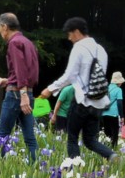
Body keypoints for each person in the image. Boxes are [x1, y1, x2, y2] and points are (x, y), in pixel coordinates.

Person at [39, 17, 113, 161]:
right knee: (90, 140)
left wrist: (50, 89)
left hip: (82, 101)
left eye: (70, 34)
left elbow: (69, 75)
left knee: (72, 137)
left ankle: (75, 169)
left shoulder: (79, 48)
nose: (69, 38)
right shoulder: (101, 49)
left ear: (77, 32)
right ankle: (111, 155)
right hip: (98, 102)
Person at [0, 13, 40, 162]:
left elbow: (20, 70)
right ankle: (37, 167)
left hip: (16, 95)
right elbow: (26, 72)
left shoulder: (14, 43)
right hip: (27, 92)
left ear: (5, 27)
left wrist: (23, 94)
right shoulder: (27, 42)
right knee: (29, 137)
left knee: (2, 135)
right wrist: (6, 81)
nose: (0, 32)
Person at [101, 71, 125, 147]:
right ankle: (113, 149)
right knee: (114, 133)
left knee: (106, 133)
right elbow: (119, 103)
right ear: (119, 82)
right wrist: (122, 116)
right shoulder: (118, 90)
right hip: (114, 114)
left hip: (104, 113)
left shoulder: (106, 88)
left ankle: (105, 149)